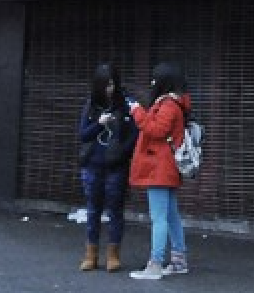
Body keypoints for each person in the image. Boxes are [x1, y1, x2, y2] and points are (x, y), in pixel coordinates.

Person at [127, 60, 193, 279]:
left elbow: (155, 130)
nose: (152, 82)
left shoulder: (168, 106)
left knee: (159, 218)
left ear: (164, 82)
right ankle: (178, 260)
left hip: (159, 169)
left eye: (155, 78)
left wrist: (137, 112)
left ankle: (155, 265)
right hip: (166, 168)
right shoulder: (175, 104)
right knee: (171, 215)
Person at [76, 61, 137, 272]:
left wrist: (122, 153)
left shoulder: (126, 105)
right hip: (92, 165)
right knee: (93, 210)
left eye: (111, 84)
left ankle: (113, 255)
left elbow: (134, 136)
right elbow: (83, 135)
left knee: (115, 211)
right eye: (104, 85)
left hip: (116, 166)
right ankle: (91, 255)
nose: (108, 89)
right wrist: (99, 123)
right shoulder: (91, 105)